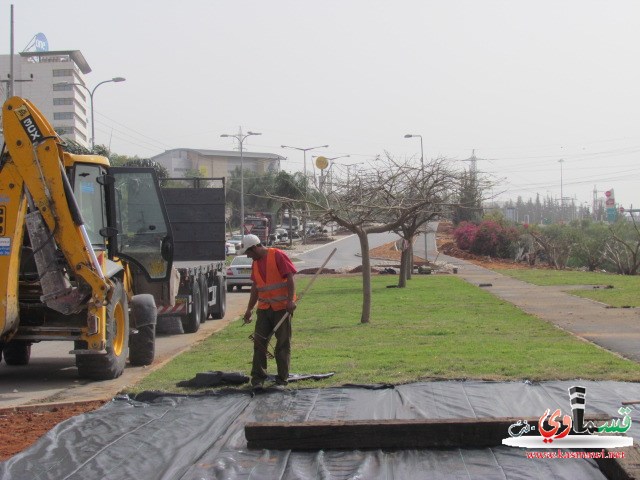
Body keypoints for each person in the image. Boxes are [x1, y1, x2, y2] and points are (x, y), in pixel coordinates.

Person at [239, 234, 297, 389]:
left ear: (255, 247)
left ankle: (282, 378)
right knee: (259, 342)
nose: (248, 256)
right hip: (264, 310)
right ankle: (258, 378)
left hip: (281, 309)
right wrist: (249, 309)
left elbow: (290, 277)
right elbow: (255, 287)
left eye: (248, 252)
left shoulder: (277, 255)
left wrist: (290, 300)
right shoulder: (256, 263)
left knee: (282, 344)